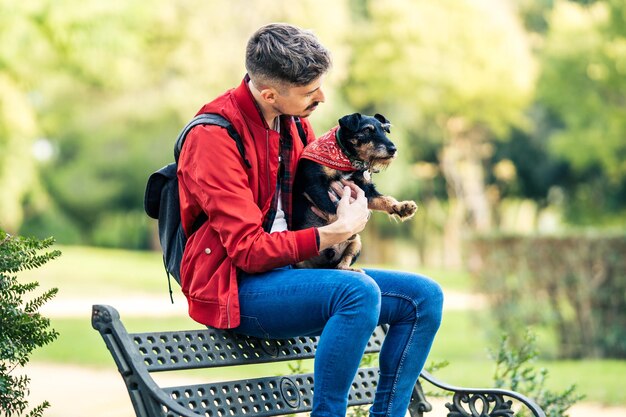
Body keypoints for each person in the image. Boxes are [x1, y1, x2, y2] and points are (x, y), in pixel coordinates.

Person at [177, 23, 443, 417]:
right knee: (357, 292)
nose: (321, 97)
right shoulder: (214, 138)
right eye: (309, 92)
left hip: (298, 274)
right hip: (236, 286)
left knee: (423, 297)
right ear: (269, 93)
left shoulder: (295, 122)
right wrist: (334, 231)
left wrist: (350, 198)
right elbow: (248, 252)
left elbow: (320, 187)